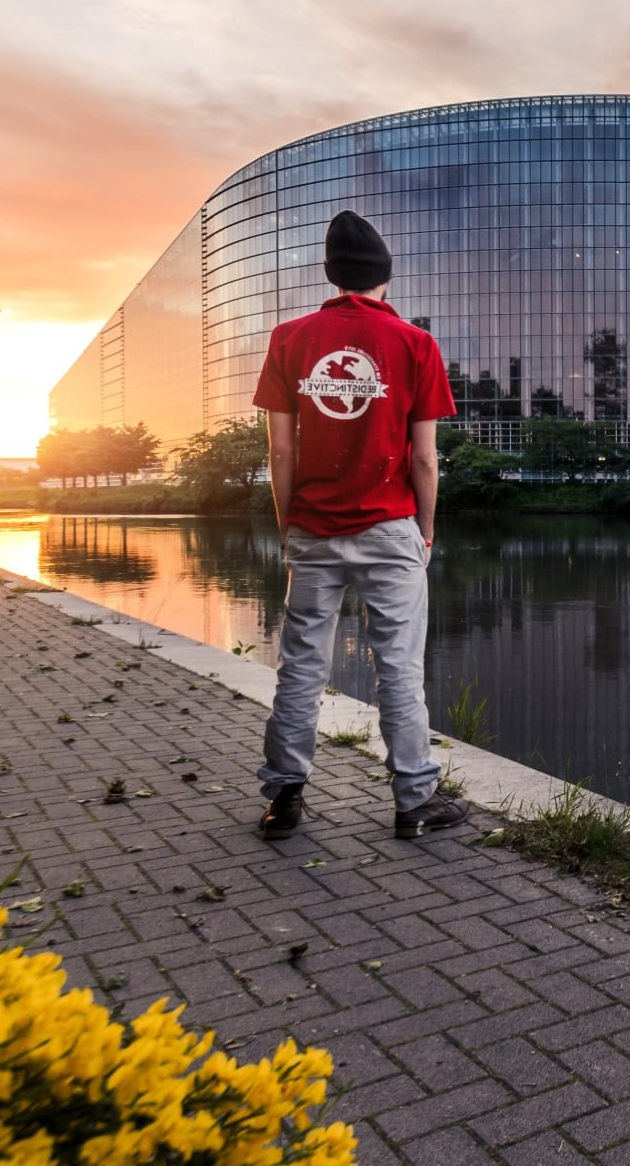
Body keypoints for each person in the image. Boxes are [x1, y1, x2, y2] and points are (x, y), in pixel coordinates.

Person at [251, 210, 468, 840]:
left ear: (331, 274)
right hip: (390, 528)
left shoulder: (290, 338)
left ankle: (284, 800)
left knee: (301, 666)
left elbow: (281, 453)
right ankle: (414, 802)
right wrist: (425, 532)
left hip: (313, 530)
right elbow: (424, 457)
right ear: (384, 280)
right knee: (398, 667)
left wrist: (289, 526)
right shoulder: (415, 344)